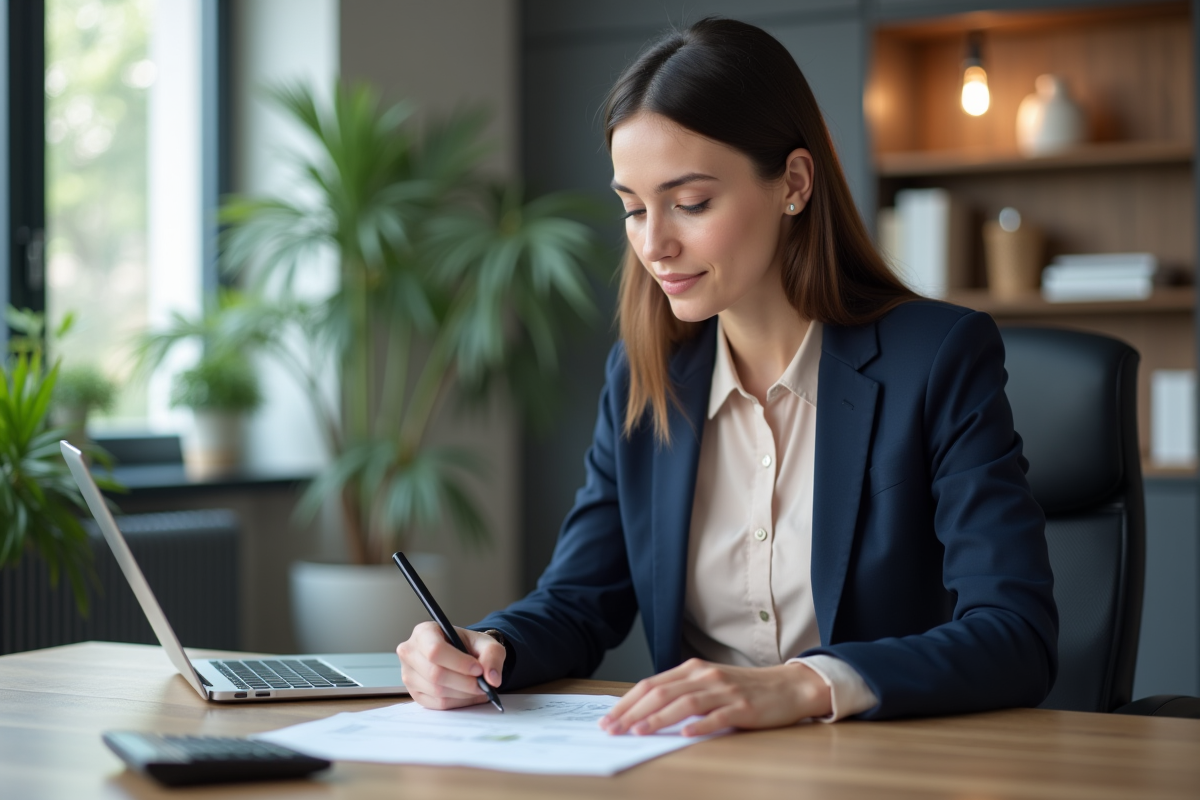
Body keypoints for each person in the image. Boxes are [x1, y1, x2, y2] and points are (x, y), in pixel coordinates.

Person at [396, 17, 1058, 734]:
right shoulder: (646, 376)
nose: (655, 244)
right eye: (632, 208)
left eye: (691, 203)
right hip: (693, 766)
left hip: (873, 767)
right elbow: (579, 600)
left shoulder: (936, 358)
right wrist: (488, 647)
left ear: (794, 185)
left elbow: (1014, 632)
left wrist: (804, 685)